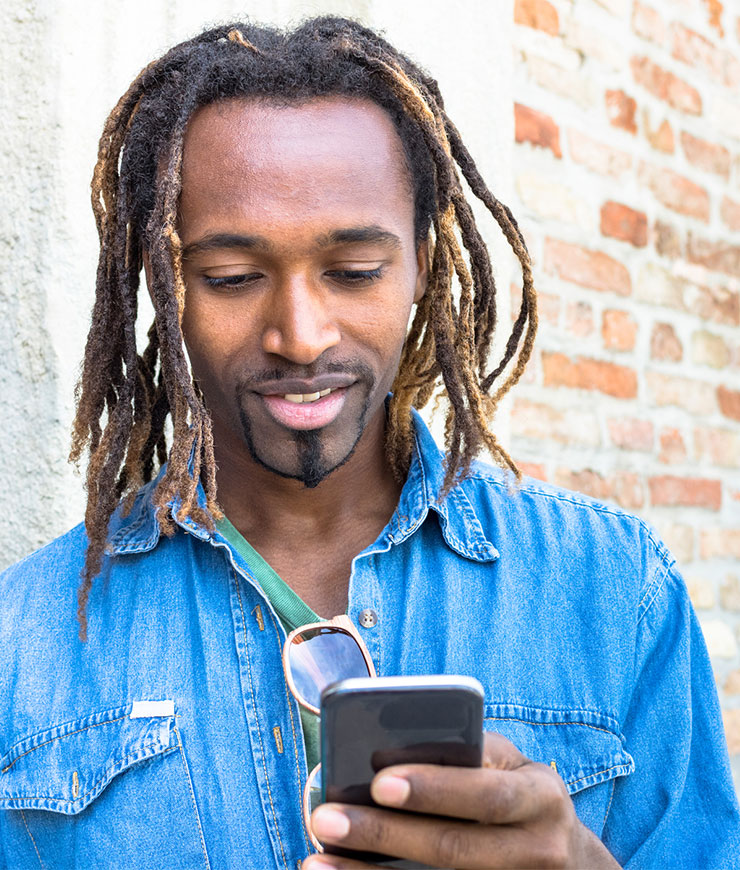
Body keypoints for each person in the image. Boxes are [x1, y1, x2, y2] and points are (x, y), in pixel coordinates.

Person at [0, 16, 738, 870]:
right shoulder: (24, 649)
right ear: (164, 287)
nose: (302, 336)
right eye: (232, 279)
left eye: (354, 272)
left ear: (423, 262)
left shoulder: (613, 591)